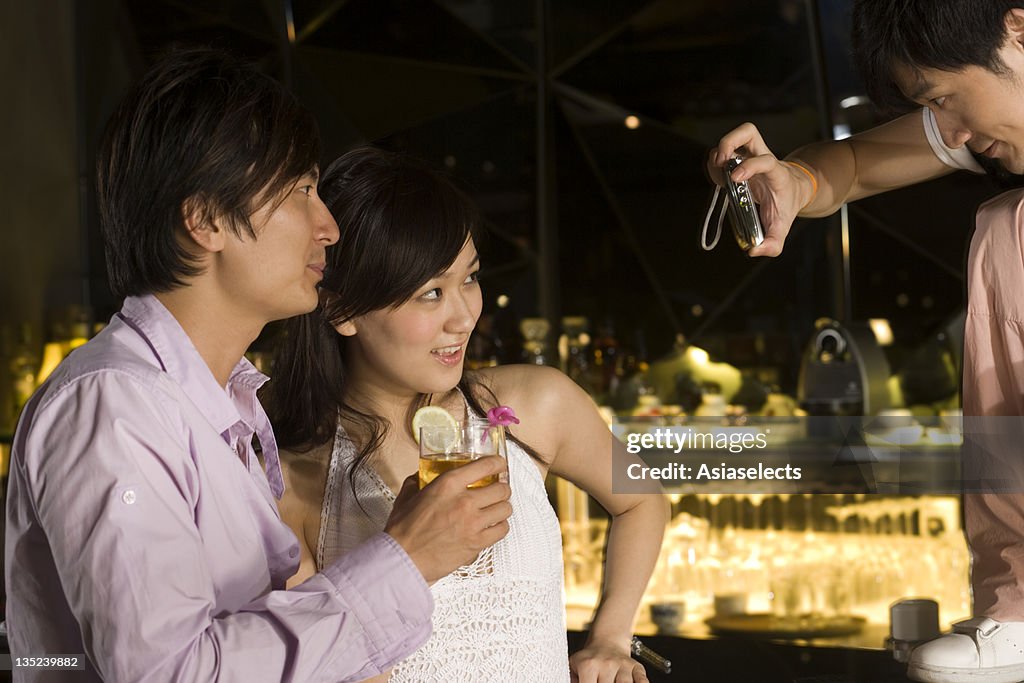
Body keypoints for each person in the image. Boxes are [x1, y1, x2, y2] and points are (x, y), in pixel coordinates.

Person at [4, 47, 514, 682]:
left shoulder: (222, 405)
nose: (328, 226)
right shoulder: (115, 407)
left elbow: (643, 488)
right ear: (208, 219)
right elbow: (169, 674)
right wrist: (405, 558)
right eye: (301, 191)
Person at [264, 147, 669, 683]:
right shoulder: (295, 484)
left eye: (470, 279)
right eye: (431, 293)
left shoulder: (536, 403)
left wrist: (612, 638)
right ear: (343, 310)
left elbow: (643, 498)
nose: (464, 317)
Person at [707, 2, 1024, 681]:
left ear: (1018, 27)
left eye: (945, 99)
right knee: (1005, 227)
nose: (956, 131)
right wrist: (794, 184)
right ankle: (1018, 603)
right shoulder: (976, 125)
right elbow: (853, 164)